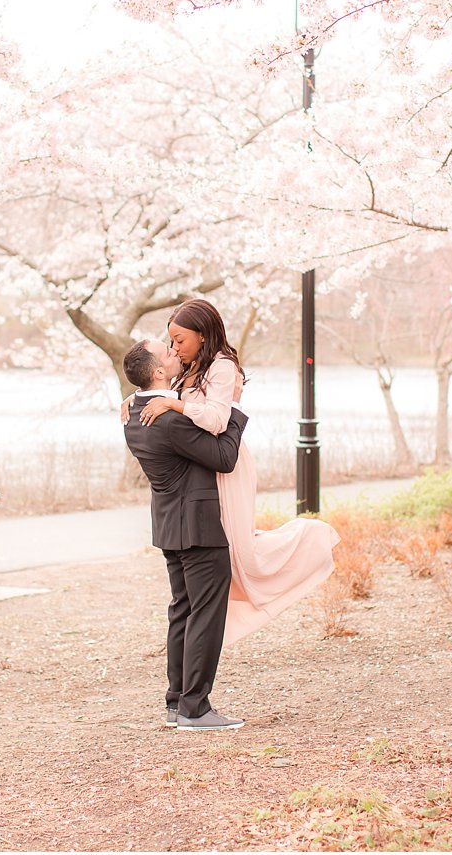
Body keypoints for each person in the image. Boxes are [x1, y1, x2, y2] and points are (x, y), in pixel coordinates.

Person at [136, 299, 339, 645]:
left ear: (202, 335)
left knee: (239, 549)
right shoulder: (188, 366)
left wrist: (174, 402)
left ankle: (309, 541)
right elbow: (165, 399)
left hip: (226, 465)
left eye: (179, 340)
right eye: (170, 341)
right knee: (219, 556)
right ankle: (205, 630)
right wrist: (138, 397)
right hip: (200, 472)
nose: (174, 348)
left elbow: (216, 420)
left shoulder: (223, 367)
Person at [121, 338, 249, 731]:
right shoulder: (171, 419)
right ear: (158, 372)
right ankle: (196, 707)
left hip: (170, 526)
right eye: (169, 352)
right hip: (198, 527)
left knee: (183, 611)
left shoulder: (133, 412)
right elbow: (225, 458)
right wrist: (235, 407)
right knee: (206, 614)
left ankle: (177, 702)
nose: (176, 352)